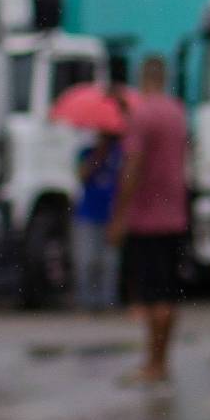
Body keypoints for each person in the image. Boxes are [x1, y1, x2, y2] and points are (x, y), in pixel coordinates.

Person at [107, 55, 191, 386]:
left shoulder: (141, 113)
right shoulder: (177, 111)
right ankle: (163, 360)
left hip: (148, 218)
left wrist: (119, 216)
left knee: (152, 295)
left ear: (142, 77)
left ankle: (153, 364)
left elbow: (133, 167)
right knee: (169, 293)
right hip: (176, 215)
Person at [72, 125, 123, 313]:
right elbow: (81, 175)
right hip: (88, 214)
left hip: (111, 213)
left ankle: (108, 300)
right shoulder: (87, 153)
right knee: (87, 260)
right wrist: (98, 157)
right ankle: (86, 301)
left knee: (109, 262)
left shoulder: (120, 155)